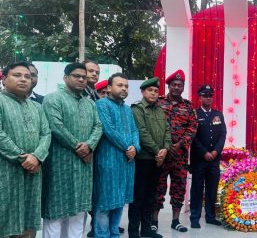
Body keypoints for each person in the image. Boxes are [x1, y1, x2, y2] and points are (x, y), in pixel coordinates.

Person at [41, 62, 103, 237]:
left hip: (84, 165)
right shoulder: (53, 98)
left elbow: (98, 127)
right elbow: (55, 126)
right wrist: (78, 146)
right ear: (65, 78)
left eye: (84, 77)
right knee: (56, 210)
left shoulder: (90, 104)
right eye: (77, 76)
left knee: (79, 211)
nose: (82, 79)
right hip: (60, 164)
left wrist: (89, 145)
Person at [0, 62, 51, 238]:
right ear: (4, 78)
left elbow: (46, 133)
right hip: (7, 172)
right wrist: (23, 158)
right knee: (6, 215)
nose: (23, 79)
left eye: (27, 76)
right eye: (17, 75)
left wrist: (37, 157)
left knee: (29, 219)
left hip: (33, 171)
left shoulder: (37, 107)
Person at [94, 73, 140, 237]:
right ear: (109, 88)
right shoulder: (102, 105)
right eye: (119, 85)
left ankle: (114, 233)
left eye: (126, 86)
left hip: (127, 162)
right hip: (108, 160)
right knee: (105, 201)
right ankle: (102, 234)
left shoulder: (127, 109)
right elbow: (108, 130)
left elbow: (135, 130)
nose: (124, 88)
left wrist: (135, 147)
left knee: (120, 200)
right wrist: (128, 147)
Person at [153, 70, 197, 233]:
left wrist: (180, 144)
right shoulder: (158, 102)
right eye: (174, 85)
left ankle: (176, 220)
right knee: (158, 186)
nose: (177, 88)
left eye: (180, 85)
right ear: (169, 86)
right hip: (161, 154)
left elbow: (192, 127)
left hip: (180, 155)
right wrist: (162, 147)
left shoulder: (188, 106)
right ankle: (154, 220)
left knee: (179, 187)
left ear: (183, 87)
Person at [129, 77, 171, 238]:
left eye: (156, 91)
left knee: (151, 196)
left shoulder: (160, 110)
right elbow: (142, 133)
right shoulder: (137, 109)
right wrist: (157, 151)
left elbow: (168, 132)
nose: (153, 93)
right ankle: (133, 231)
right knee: (138, 196)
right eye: (150, 90)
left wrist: (165, 150)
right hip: (143, 159)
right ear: (142, 92)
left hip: (158, 159)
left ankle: (146, 229)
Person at [190, 85, 227, 228]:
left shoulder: (218, 114)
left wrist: (216, 151)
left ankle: (211, 216)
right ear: (200, 97)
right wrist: (204, 152)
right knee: (197, 188)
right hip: (200, 159)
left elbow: (223, 134)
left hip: (214, 159)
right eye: (205, 95)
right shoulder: (195, 114)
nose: (208, 98)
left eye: (210, 95)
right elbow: (193, 136)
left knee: (212, 188)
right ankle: (195, 217)